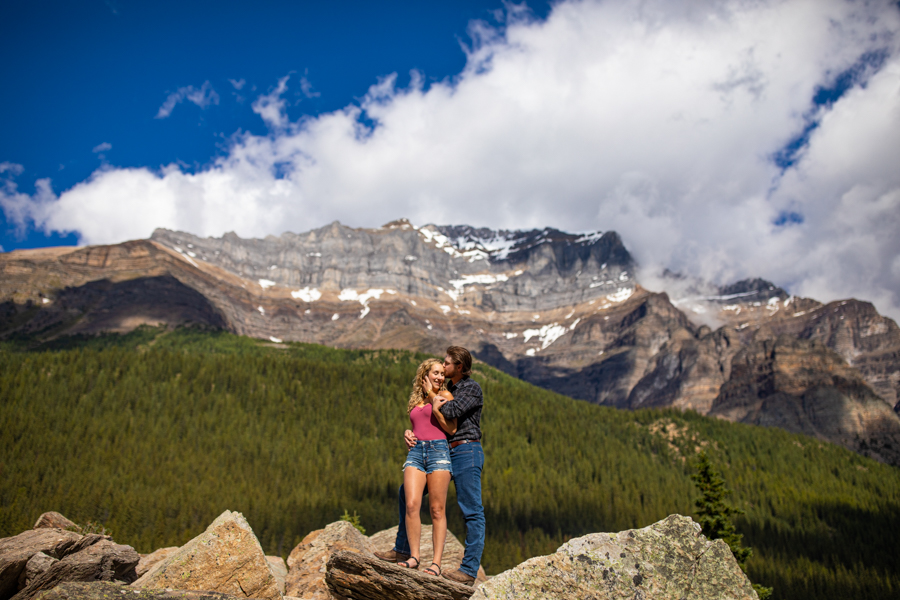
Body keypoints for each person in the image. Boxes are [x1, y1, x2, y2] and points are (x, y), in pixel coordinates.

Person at [375, 346, 485, 587]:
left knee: (471, 510)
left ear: (459, 367)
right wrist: (410, 432)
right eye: (440, 366)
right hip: (442, 450)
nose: (442, 369)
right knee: (406, 495)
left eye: (446, 364)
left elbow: (452, 412)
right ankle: (403, 549)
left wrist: (432, 394)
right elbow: (429, 421)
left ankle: (468, 570)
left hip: (466, 450)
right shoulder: (447, 388)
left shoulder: (470, 388)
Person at [396, 357, 457, 576]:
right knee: (412, 504)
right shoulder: (416, 399)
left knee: (436, 509)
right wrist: (407, 432)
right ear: (425, 375)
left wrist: (434, 399)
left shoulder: (445, 396)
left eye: (442, 373)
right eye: (436, 373)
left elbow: (451, 428)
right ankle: (414, 557)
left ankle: (436, 563)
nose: (440, 377)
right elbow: (418, 424)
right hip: (416, 452)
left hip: (439, 452)